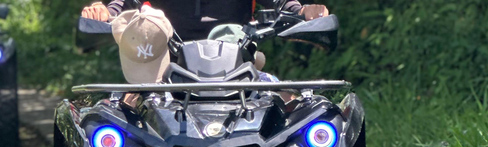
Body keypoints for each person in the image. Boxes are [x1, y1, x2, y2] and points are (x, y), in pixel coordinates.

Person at [82, 0, 329, 41]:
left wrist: (305, 11)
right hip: (161, 67)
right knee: (124, 114)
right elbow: (116, 7)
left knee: (291, 107)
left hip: (239, 66)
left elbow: (285, 4)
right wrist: (101, 12)